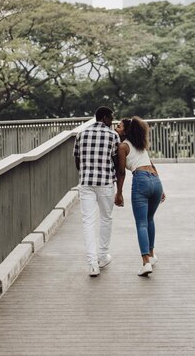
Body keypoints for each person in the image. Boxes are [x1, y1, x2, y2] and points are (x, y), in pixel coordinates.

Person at [115, 116, 165, 276]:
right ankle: (152, 254)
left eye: (119, 126)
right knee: (149, 219)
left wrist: (119, 193)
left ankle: (146, 263)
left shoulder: (123, 147)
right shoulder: (140, 145)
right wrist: (161, 189)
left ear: (125, 131)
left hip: (141, 180)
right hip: (155, 181)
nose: (116, 128)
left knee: (141, 223)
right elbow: (152, 164)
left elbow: (121, 172)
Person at [73, 106, 120, 277]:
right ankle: (102, 256)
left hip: (86, 183)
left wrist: (87, 170)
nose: (112, 122)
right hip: (105, 182)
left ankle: (92, 264)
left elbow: (77, 160)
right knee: (106, 218)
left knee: (88, 221)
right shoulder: (112, 135)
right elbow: (116, 161)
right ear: (105, 118)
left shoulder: (81, 134)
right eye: (111, 118)